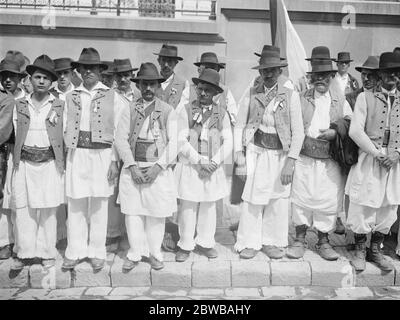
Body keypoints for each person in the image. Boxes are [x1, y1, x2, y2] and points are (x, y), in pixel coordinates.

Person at [233, 46, 304, 259]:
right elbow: (239, 125)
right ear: (260, 72)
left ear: (280, 71)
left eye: (273, 69)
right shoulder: (252, 93)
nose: (269, 74)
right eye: (265, 70)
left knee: (277, 199)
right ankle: (249, 241)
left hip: (280, 155)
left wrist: (290, 162)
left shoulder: (291, 96)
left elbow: (298, 132)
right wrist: (239, 154)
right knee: (253, 198)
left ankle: (271, 241)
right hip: (256, 151)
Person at [287, 46, 353, 261]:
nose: (320, 80)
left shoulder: (340, 100)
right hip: (306, 157)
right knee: (302, 197)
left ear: (332, 76)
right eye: (316, 75)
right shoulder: (300, 98)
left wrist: (335, 132)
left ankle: (324, 241)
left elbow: (352, 123)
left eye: (324, 75)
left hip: (330, 160)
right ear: (311, 76)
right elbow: (295, 129)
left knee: (327, 199)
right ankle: (299, 239)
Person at [62, 48, 122, 272]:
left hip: (102, 154)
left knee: (99, 204)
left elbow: (118, 130)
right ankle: (74, 251)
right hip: (77, 153)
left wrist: (114, 160)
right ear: (78, 70)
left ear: (99, 70)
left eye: (93, 68)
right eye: (84, 67)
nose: (88, 71)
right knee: (76, 203)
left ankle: (97, 251)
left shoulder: (111, 95)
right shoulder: (71, 95)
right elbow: (65, 127)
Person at [115, 62, 180, 271]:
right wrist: (132, 166)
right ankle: (135, 253)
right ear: (139, 85)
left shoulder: (168, 110)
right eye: (144, 84)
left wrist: (158, 167)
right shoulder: (130, 108)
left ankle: (154, 253)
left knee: (155, 213)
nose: (148, 89)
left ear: (158, 85)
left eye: (152, 84)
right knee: (133, 213)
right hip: (134, 165)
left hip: (157, 168)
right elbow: (120, 139)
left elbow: (175, 142)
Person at [347, 52, 400, 272]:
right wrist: (376, 152)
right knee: (364, 203)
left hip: (394, 162)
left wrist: (397, 153)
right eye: (388, 73)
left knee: (389, 206)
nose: (393, 77)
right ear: (379, 75)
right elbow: (355, 130)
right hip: (370, 157)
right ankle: (360, 248)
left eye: (397, 73)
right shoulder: (365, 97)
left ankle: (375, 249)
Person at [10, 55, 65, 270]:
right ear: (30, 80)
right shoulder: (19, 105)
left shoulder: (60, 105)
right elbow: (14, 132)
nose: (41, 81)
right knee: (24, 209)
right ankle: (24, 251)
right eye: (37, 77)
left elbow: (64, 135)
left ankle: (46, 251)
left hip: (49, 163)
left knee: (48, 208)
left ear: (51, 82)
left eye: (45, 78)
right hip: (24, 163)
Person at [174, 68, 233, 262]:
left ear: (215, 93)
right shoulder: (185, 110)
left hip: (212, 165)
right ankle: (185, 243)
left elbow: (229, 141)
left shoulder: (221, 113)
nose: (203, 93)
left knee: (208, 205)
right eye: (200, 89)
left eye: (208, 90)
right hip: (192, 164)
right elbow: (181, 140)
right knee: (188, 205)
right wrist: (199, 161)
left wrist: (214, 162)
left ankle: (206, 242)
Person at [106, 58, 140, 249]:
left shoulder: (138, 95)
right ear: (114, 77)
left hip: (133, 147)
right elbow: (110, 128)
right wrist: (113, 159)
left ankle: (130, 230)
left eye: (127, 75)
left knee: (130, 189)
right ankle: (112, 231)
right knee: (112, 189)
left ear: (132, 76)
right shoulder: (110, 97)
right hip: (114, 147)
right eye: (119, 76)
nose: (123, 79)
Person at [0, 59, 18, 260]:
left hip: (17, 154)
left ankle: (18, 241)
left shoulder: (26, 98)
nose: (7, 80)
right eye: (3, 76)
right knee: (2, 199)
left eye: (12, 77)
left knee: (15, 198)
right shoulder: (3, 98)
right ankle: (4, 241)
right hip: (3, 153)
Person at [154, 44, 189, 109]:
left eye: (170, 61)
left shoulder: (183, 84)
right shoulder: (152, 81)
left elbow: (183, 109)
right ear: (159, 61)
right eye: (163, 60)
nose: (166, 65)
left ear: (176, 63)